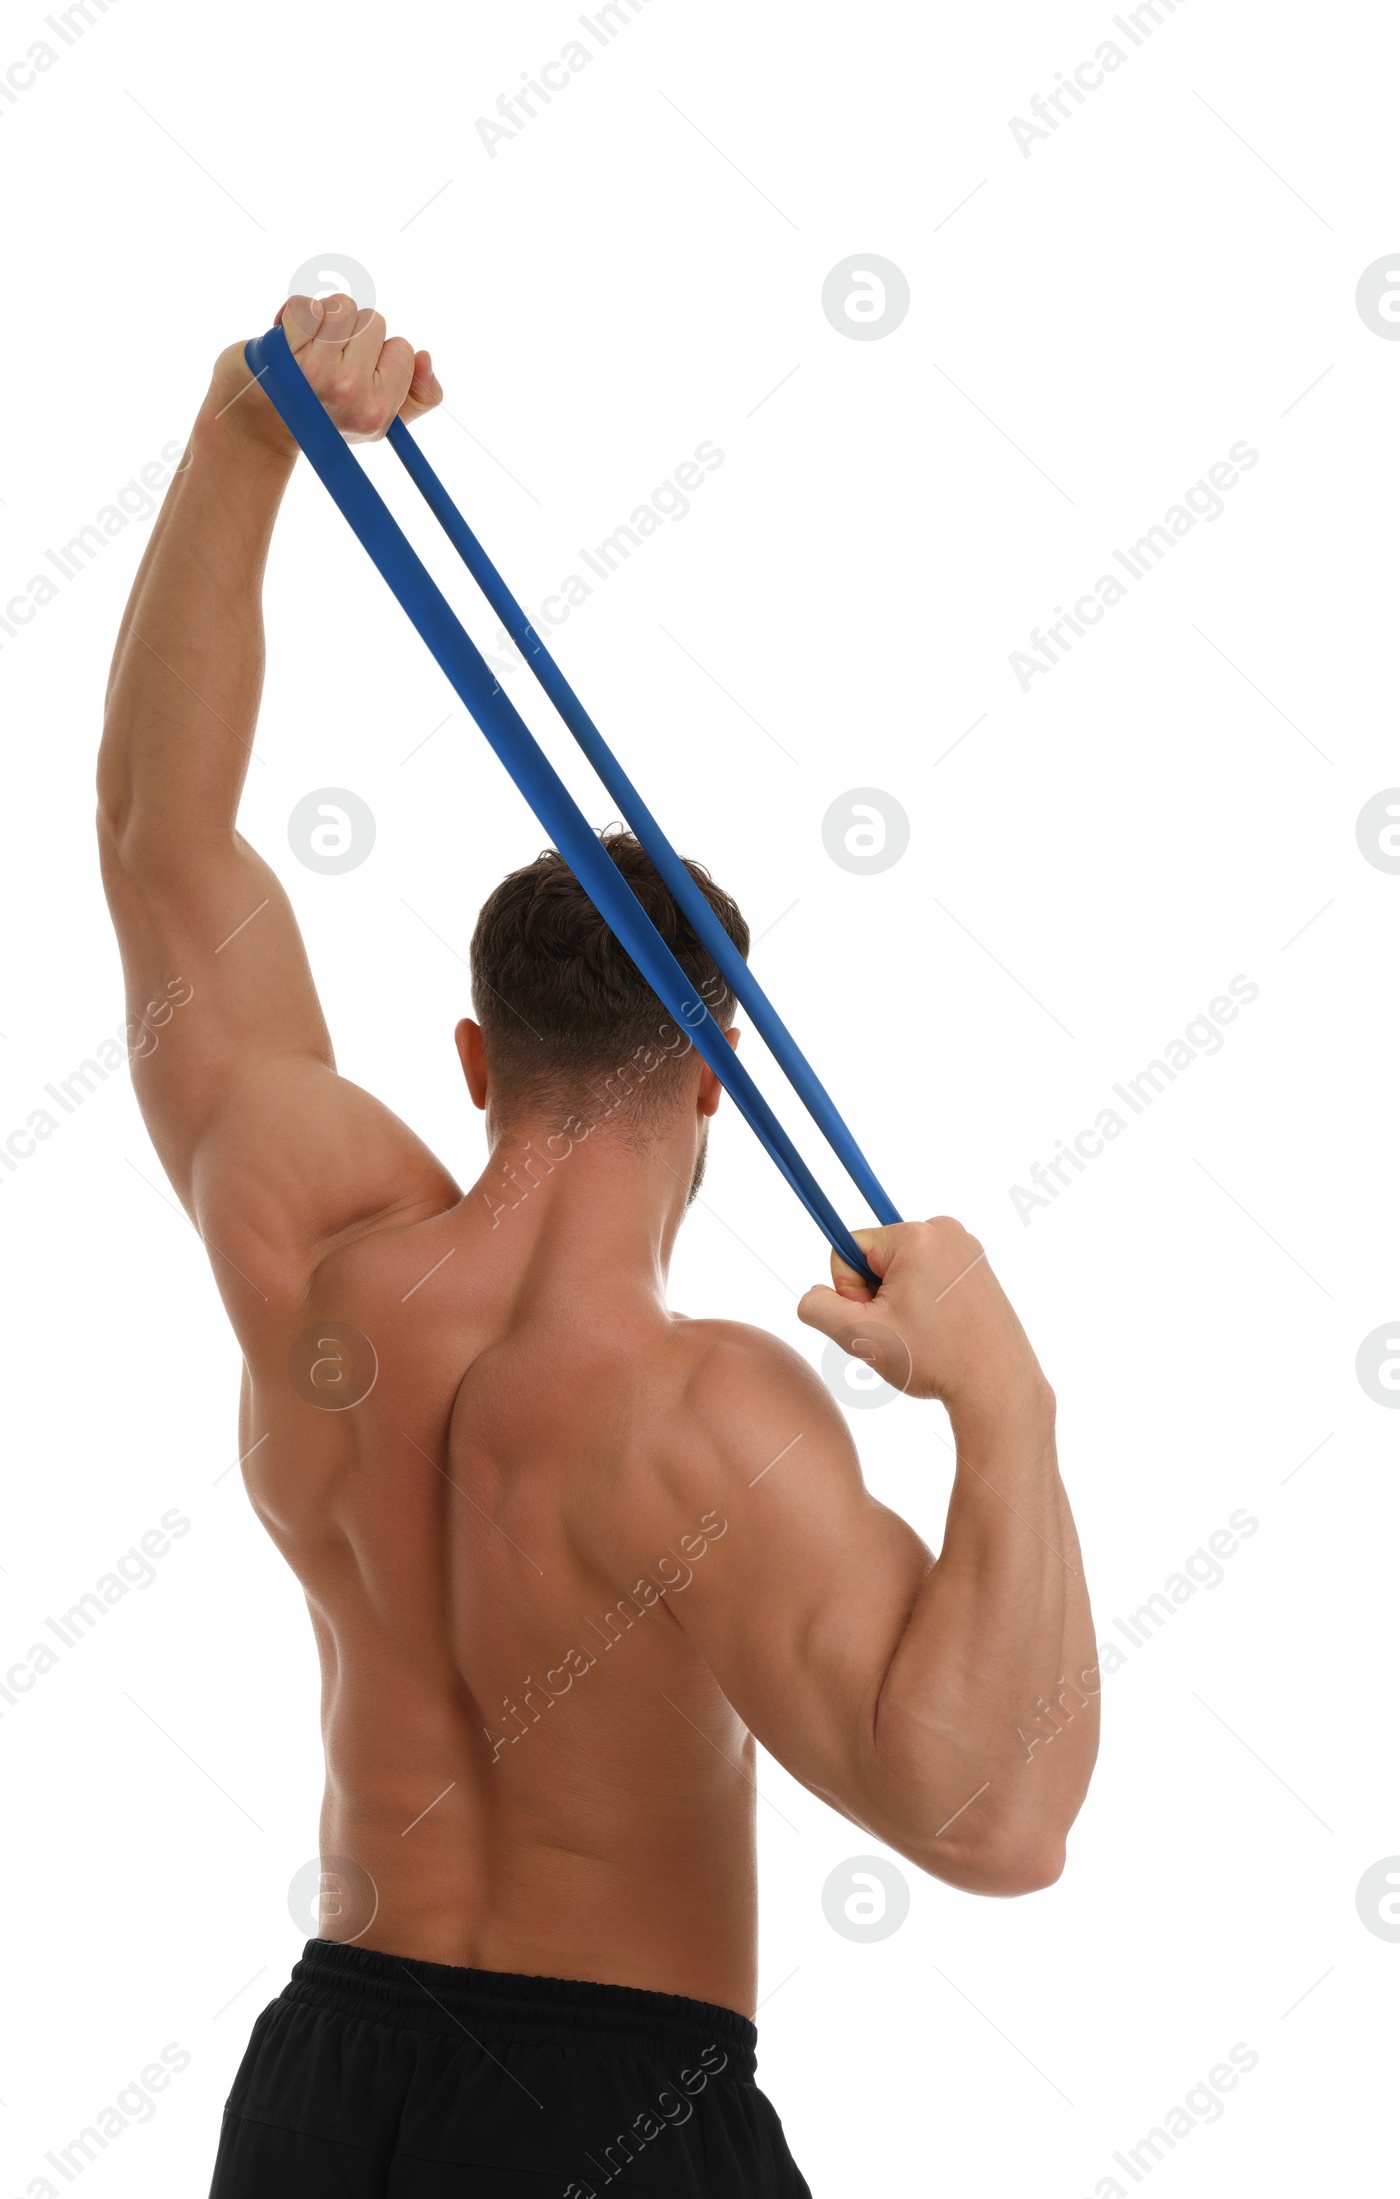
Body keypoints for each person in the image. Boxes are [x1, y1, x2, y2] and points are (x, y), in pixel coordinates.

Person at [96, 291, 1099, 2198]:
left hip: (323, 2083)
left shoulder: (312, 1245)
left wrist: (249, 435)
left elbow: (157, 832)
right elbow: (1002, 1821)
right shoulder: (706, 1422)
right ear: (718, 1076)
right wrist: (1009, 1410)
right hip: (610, 2115)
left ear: (475, 1057)